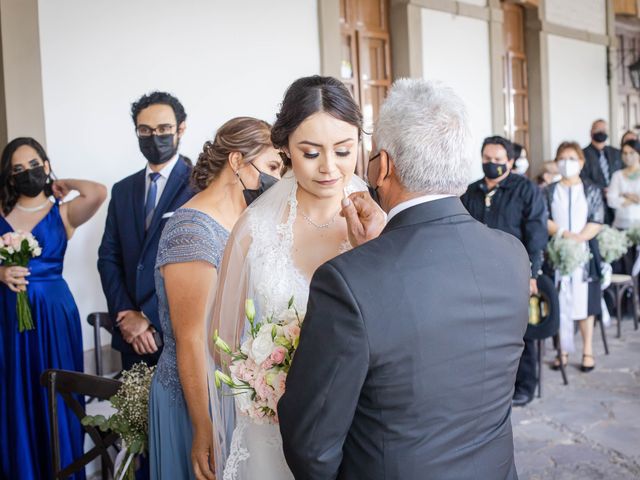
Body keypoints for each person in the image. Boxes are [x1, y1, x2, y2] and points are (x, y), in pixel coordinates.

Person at [279, 79, 530, 479]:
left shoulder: (347, 282)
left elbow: (311, 444)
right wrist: (373, 256)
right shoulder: (511, 255)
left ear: (383, 166)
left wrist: (368, 263)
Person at [207, 75, 370, 480]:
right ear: (284, 148)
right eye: (311, 152)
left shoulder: (381, 218)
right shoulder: (255, 229)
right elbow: (223, 341)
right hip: (275, 426)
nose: (330, 168)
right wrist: (263, 379)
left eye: (344, 150)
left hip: (364, 421)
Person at [148, 117, 281, 479]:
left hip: (231, 386)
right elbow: (190, 338)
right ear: (237, 161)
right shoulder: (191, 230)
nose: (277, 179)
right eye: (271, 166)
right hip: (194, 397)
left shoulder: (248, 219)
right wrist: (202, 424)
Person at [0, 137, 106, 479]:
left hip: (54, 315)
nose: (26, 173)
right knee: (15, 390)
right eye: (17, 169)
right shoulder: (1, 212)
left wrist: (63, 184)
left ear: (46, 165)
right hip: (7, 317)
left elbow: (97, 192)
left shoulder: (63, 212)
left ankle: (64, 470)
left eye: (33, 165)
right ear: (9, 176)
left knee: (58, 392)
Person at [98, 91, 194, 371]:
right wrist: (127, 315)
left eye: (164, 129)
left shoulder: (199, 185)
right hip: (131, 336)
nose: (155, 136)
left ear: (181, 128)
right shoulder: (122, 190)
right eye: (145, 130)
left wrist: (149, 316)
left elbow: (193, 263)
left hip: (176, 331)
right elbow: (108, 257)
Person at [461, 135, 548, 408]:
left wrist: (533, 273)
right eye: (487, 159)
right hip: (477, 272)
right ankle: (489, 385)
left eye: (498, 160)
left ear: (510, 161)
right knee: (481, 331)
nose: (492, 164)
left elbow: (536, 234)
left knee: (519, 332)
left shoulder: (526, 190)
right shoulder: (471, 191)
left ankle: (525, 385)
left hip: (515, 273)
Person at [545, 141, 603, 372]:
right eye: (562, 158)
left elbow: (597, 220)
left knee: (584, 304)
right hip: (557, 252)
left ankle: (587, 350)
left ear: (580, 162)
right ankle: (563, 350)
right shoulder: (549, 190)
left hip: (584, 255)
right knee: (559, 302)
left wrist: (578, 239)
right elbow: (544, 217)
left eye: (571, 158)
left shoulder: (591, 189)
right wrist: (563, 234)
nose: (566, 163)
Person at [581, 119, 622, 224]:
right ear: (591, 132)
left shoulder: (616, 153)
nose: (601, 132)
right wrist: (601, 190)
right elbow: (583, 177)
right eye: (597, 129)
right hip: (595, 201)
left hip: (618, 201)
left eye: (604, 130)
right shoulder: (582, 154)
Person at [607, 139, 640, 230]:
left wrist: (623, 195)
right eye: (625, 153)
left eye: (631, 153)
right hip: (620, 224)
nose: (628, 156)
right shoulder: (617, 175)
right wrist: (635, 199)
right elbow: (611, 200)